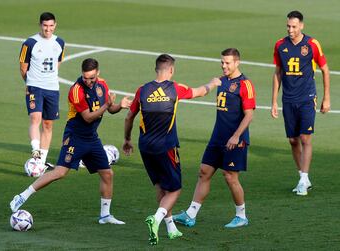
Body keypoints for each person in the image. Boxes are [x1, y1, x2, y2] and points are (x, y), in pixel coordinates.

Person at [10, 58, 132, 225]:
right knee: (60, 173)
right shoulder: (76, 90)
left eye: (92, 77)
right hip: (75, 138)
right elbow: (88, 117)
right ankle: (22, 196)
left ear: (98, 73)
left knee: (107, 174)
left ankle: (105, 216)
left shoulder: (102, 84)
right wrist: (106, 106)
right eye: (85, 77)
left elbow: (110, 109)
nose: (88, 81)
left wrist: (119, 105)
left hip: (92, 138)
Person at [123, 54, 220, 245]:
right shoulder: (175, 88)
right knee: (175, 190)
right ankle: (156, 219)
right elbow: (200, 91)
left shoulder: (142, 90)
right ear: (171, 70)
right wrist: (213, 83)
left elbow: (129, 117)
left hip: (145, 147)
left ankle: (171, 227)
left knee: (160, 185)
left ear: (156, 69)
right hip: (166, 147)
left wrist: (127, 139)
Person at [173, 48, 256, 229]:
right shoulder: (221, 81)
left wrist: (236, 136)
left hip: (235, 139)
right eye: (222, 62)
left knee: (230, 177)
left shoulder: (245, 84)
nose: (223, 65)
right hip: (217, 137)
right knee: (204, 172)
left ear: (237, 63)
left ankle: (241, 216)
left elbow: (249, 115)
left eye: (227, 63)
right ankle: (190, 214)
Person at [271, 10, 330, 196]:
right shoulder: (280, 45)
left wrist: (326, 97)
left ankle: (304, 179)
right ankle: (302, 177)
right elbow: (278, 73)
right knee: (292, 140)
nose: (290, 30)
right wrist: (273, 101)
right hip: (288, 99)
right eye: (288, 26)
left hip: (307, 97)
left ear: (301, 26)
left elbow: (325, 70)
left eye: (294, 27)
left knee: (305, 138)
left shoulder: (312, 44)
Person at [19, 12, 65, 167]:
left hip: (52, 88)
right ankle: (35, 152)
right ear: (40, 25)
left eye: (51, 25)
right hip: (35, 86)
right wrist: (29, 83)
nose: (48, 29)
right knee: (35, 118)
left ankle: (42, 161)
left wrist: (49, 78)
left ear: (55, 25)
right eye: (45, 25)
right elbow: (23, 68)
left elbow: (58, 62)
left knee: (48, 124)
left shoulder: (60, 42)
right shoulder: (30, 43)